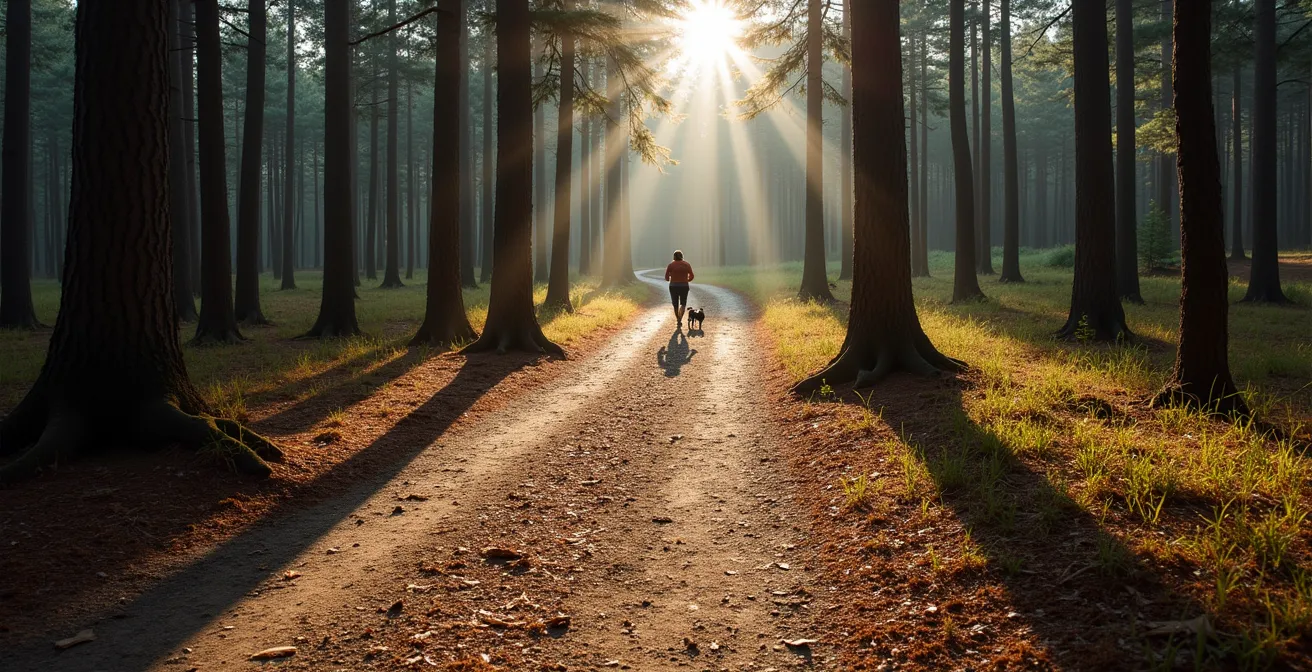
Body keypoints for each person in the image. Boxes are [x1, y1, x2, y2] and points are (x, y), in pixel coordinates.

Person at [665, 250, 694, 327]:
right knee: (683, 304)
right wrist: (686, 280)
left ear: (674, 257)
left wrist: (671, 277)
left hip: (673, 286)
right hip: (684, 286)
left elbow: (667, 278)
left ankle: (678, 319)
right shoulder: (687, 265)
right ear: (682, 256)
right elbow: (692, 276)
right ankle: (680, 319)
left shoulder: (671, 265)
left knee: (675, 304)